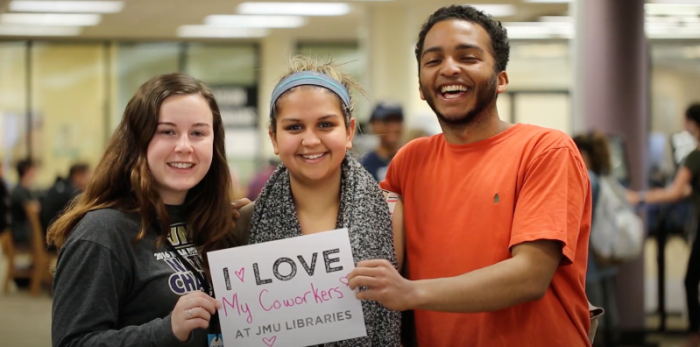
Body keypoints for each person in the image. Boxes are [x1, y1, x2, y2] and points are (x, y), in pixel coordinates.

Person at [347, 5, 592, 347]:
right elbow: (354, 225)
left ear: (501, 78)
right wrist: (248, 216)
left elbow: (530, 276)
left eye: (468, 57)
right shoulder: (410, 160)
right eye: (433, 61)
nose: (449, 69)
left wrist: (409, 292)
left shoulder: (546, 150)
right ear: (421, 86)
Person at [48, 73, 241, 347]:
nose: (184, 146)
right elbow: (73, 343)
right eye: (167, 131)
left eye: (198, 133)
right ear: (138, 140)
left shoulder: (215, 223)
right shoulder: (102, 232)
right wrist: (166, 331)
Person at [234, 56, 402, 347]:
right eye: (294, 128)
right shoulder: (245, 221)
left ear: (349, 132)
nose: (310, 140)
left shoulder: (391, 214)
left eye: (325, 124)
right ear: (274, 138)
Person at [627, 104, 700, 347]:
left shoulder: (695, 156)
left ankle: (694, 336)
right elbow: (686, 189)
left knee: (690, 281)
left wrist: (640, 198)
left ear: (692, 122)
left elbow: (675, 192)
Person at [573, 131, 620, 346]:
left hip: (590, 257)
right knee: (609, 309)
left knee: (594, 315)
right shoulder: (603, 179)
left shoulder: (586, 178)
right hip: (604, 252)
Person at [40, 163, 91, 235]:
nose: (89, 180)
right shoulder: (71, 194)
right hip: (57, 237)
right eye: (87, 175)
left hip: (48, 233)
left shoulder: (60, 186)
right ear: (78, 175)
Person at [359, 102, 405, 181]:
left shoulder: (412, 161)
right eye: (387, 121)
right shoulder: (364, 166)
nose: (393, 127)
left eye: (397, 121)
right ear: (374, 125)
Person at [9, 158, 39, 246]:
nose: (35, 172)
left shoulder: (25, 189)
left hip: (25, 229)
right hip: (21, 232)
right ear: (26, 170)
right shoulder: (18, 191)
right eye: (33, 169)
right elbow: (33, 209)